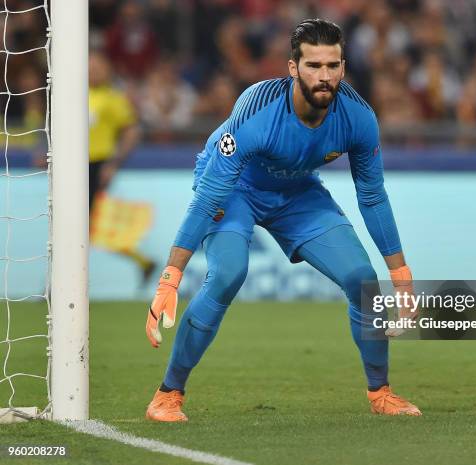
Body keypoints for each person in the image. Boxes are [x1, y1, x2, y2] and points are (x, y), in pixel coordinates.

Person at [145, 19, 421, 422]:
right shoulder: (258, 110)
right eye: (313, 66)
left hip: (296, 192)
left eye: (333, 66)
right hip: (235, 189)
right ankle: (168, 395)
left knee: (363, 280)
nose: (324, 76)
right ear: (293, 67)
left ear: (344, 67)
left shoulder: (359, 118)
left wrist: (401, 275)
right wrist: (171, 275)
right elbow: (209, 196)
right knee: (227, 274)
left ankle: (381, 392)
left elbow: (372, 194)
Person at [89, 51, 155, 282]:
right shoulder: (73, 95)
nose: (93, 71)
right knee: (87, 226)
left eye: (98, 66)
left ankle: (55, 284)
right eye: (90, 66)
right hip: (71, 166)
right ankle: (143, 261)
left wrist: (114, 163)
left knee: (80, 225)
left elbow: (132, 130)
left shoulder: (113, 98)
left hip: (96, 165)